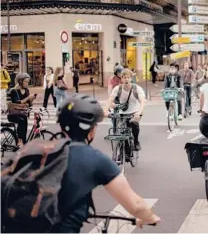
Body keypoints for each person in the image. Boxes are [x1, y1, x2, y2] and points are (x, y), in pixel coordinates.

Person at [49, 94, 160, 232]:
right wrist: (150, 217)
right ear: (91, 129)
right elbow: (136, 205)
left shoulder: (37, 151)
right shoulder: (93, 158)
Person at [106, 69, 145, 151]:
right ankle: (126, 151)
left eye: (128, 77)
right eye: (124, 77)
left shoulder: (137, 88)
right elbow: (110, 99)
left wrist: (139, 112)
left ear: (131, 78)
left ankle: (136, 142)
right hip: (123, 112)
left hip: (135, 111)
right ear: (121, 79)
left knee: (133, 123)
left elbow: (142, 102)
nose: (126, 79)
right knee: (123, 131)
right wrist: (106, 110)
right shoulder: (118, 88)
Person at [7, 73, 36, 146]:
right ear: (20, 81)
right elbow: (17, 102)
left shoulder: (26, 90)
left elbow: (29, 104)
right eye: (25, 81)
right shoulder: (14, 91)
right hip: (14, 114)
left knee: (25, 127)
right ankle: (20, 141)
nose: (27, 83)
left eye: (28, 82)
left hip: (23, 113)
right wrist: (28, 97)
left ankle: (23, 142)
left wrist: (32, 99)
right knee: (22, 121)